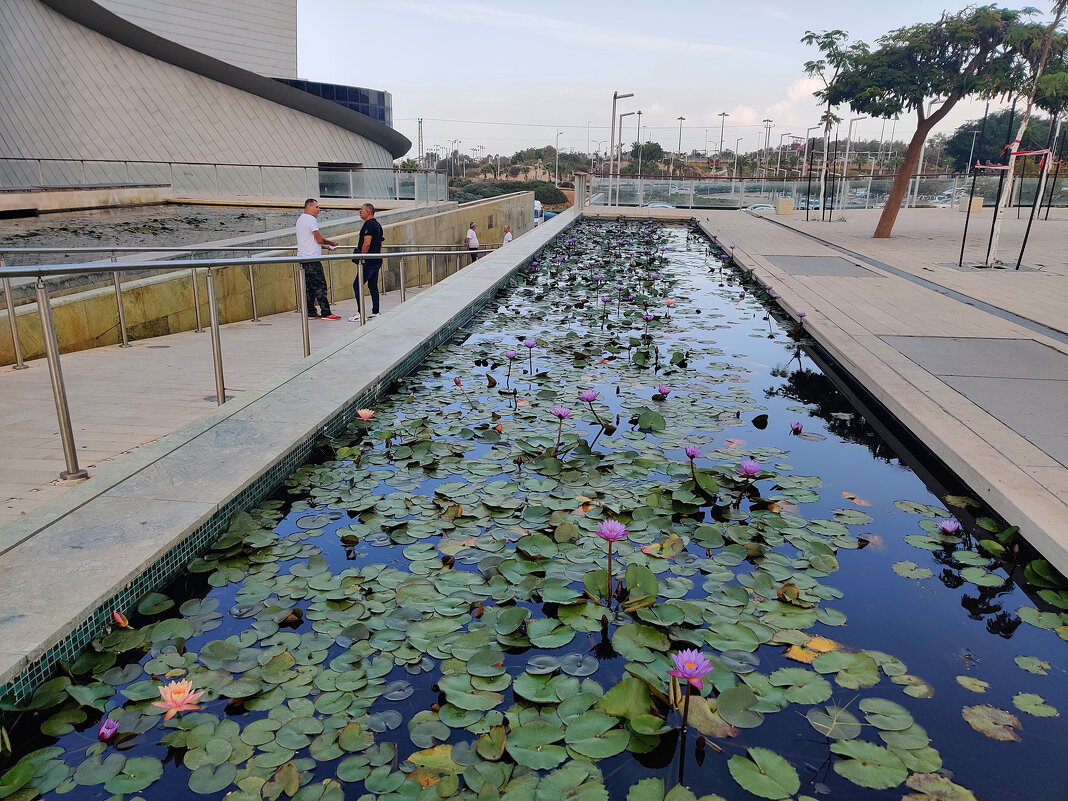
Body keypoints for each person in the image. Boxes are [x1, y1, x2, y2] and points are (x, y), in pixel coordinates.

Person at [295, 198, 339, 319]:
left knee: (308, 287)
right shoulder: (311, 219)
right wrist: (332, 243)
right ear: (309, 207)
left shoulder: (300, 219)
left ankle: (311, 312)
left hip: (304, 258)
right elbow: (319, 239)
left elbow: (310, 241)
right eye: (317, 207)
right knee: (320, 286)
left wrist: (326, 247)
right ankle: (326, 312)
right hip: (313, 259)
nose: (319, 210)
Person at [349, 203, 384, 321]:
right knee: (372, 285)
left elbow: (367, 242)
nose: (360, 212)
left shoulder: (369, 225)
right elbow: (380, 244)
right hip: (376, 259)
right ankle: (375, 311)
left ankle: (361, 313)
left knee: (357, 285)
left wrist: (362, 258)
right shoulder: (378, 225)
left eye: (361, 210)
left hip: (369, 261)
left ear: (368, 212)